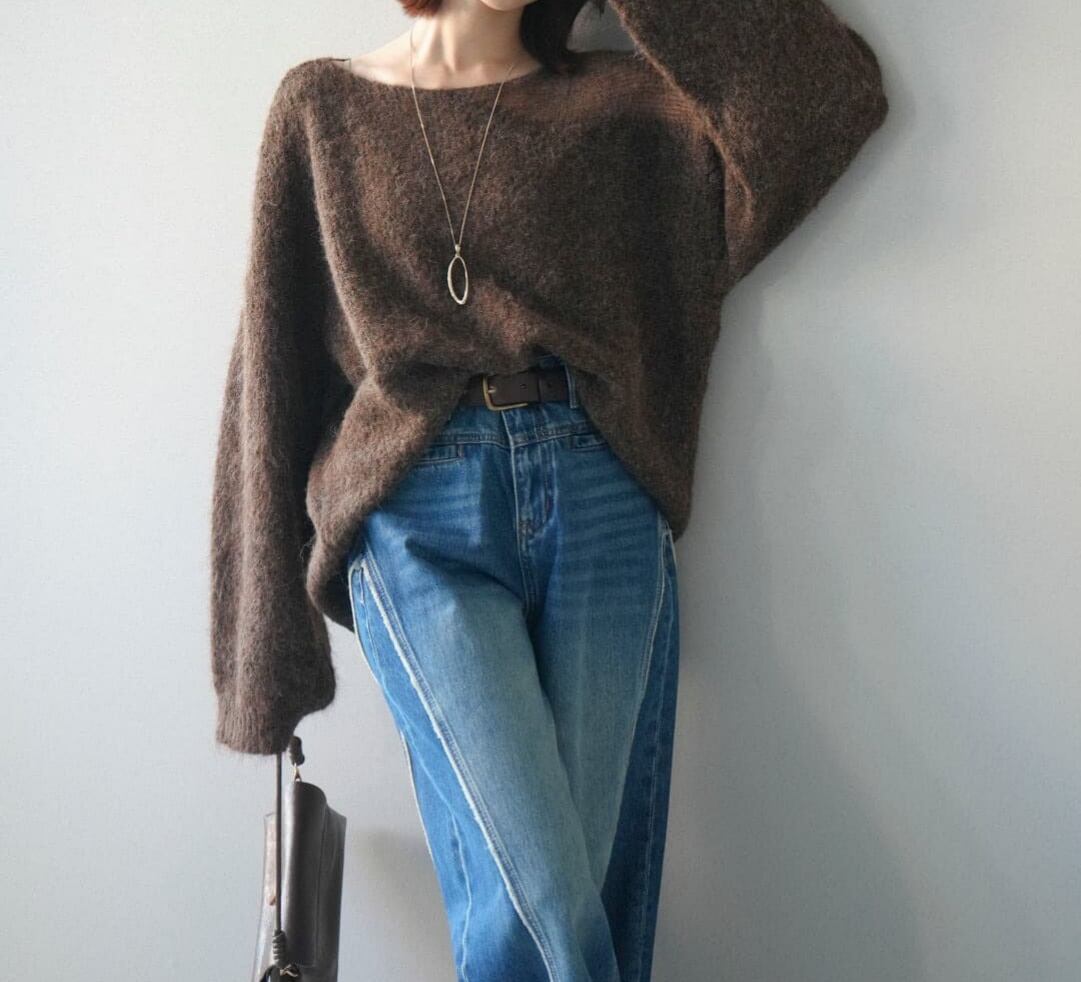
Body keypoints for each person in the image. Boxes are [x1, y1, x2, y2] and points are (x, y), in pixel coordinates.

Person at [209, 1, 890, 979]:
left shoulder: (624, 110)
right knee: (548, 905)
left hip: (599, 496)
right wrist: (261, 651)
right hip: (414, 510)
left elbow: (825, 102)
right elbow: (269, 369)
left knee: (562, 895)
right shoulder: (321, 106)